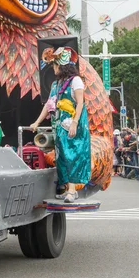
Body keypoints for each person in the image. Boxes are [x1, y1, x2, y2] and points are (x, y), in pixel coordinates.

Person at [30, 47, 90, 203]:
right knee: (61, 156)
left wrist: (75, 123)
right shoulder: (56, 85)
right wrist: (37, 122)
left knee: (72, 155)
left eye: (55, 65)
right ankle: (67, 188)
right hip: (58, 125)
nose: (54, 69)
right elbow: (48, 105)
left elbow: (80, 103)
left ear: (62, 66)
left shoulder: (75, 81)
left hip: (71, 123)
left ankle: (72, 190)